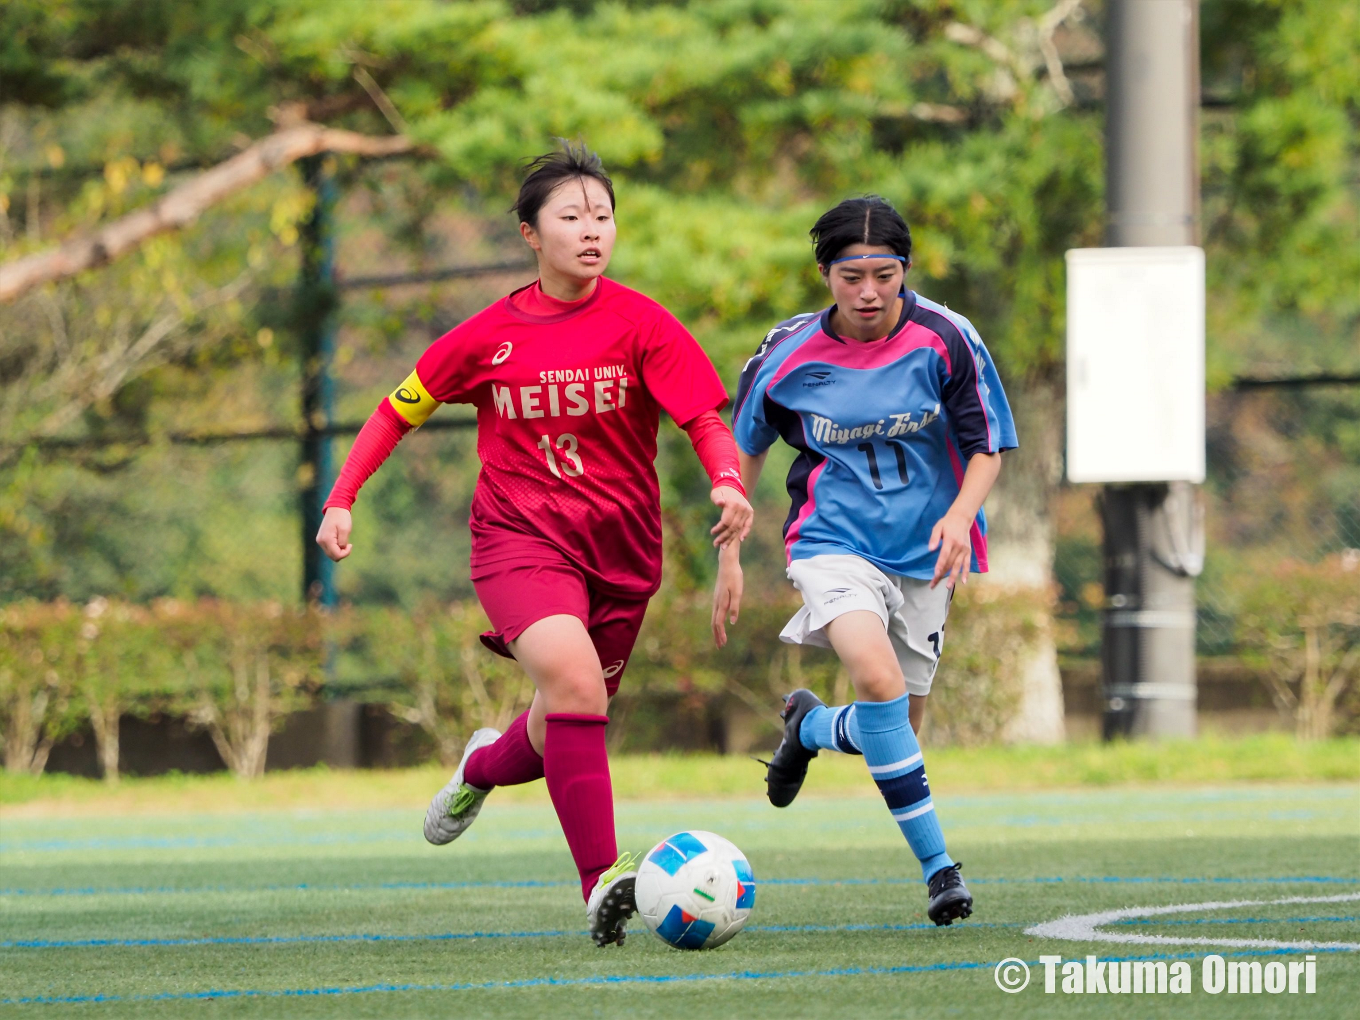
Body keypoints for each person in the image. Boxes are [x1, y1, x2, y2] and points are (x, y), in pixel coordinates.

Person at [316, 142, 752, 947]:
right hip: (519, 540)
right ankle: (602, 884)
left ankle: (481, 767)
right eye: (572, 217)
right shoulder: (486, 336)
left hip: (622, 554)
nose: (593, 232)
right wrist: (342, 498)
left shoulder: (641, 323)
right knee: (577, 686)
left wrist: (727, 480)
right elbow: (394, 409)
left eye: (604, 216)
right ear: (529, 233)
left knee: (564, 721)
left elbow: (703, 418)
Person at [716, 195, 1016, 926]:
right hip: (831, 541)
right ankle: (940, 870)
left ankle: (810, 729)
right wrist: (729, 548)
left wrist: (959, 514)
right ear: (826, 274)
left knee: (897, 726)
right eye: (852, 276)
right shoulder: (787, 351)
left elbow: (988, 444)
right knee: (877, 680)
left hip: (927, 552)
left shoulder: (946, 338)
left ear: (905, 271)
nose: (870, 292)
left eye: (885, 274)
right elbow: (743, 445)